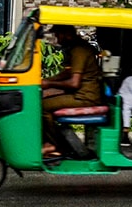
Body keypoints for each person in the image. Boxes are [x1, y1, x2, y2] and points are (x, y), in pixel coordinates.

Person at [40, 24, 103, 157]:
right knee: (42, 99)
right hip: (81, 94)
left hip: (85, 97)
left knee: (41, 107)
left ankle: (53, 145)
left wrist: (49, 83)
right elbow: (67, 73)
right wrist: (47, 82)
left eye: (57, 35)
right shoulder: (75, 49)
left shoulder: (79, 51)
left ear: (66, 34)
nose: (56, 39)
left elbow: (74, 83)